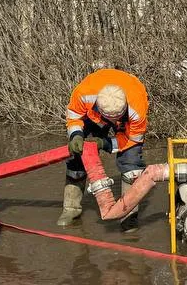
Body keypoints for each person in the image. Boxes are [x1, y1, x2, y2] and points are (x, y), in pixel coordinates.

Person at [61, 68, 149, 231]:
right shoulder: (84, 93)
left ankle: (129, 217)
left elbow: (133, 139)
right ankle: (71, 209)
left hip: (127, 116)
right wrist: (76, 136)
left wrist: (105, 143)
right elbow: (73, 116)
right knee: (76, 155)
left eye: (116, 118)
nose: (113, 122)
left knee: (131, 163)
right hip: (92, 114)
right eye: (110, 119)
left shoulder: (137, 108)